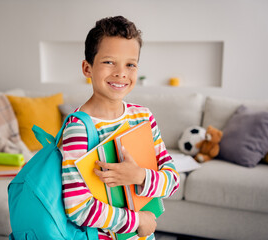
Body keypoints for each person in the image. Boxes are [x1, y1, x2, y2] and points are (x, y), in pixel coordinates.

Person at [61, 16, 180, 239]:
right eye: (109, 62)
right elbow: (78, 207)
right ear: (87, 68)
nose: (121, 73)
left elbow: (172, 180)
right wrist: (138, 221)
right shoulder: (78, 128)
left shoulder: (143, 117)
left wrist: (139, 176)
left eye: (130, 64)